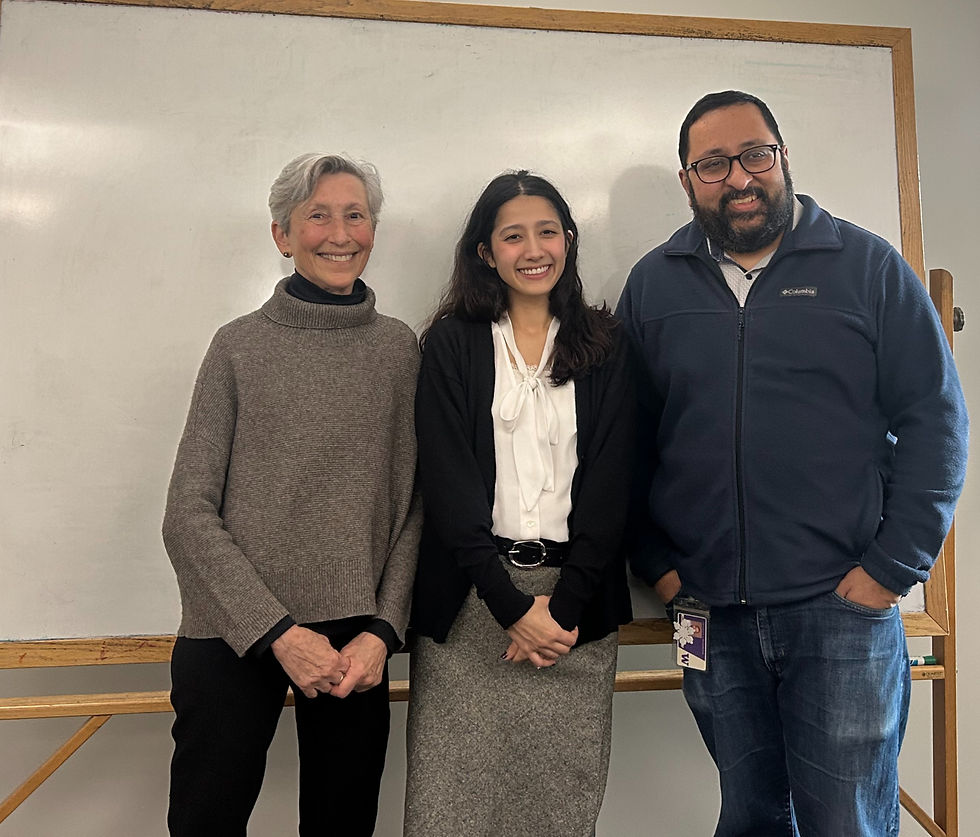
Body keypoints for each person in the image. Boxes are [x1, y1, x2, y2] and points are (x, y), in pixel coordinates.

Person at [617, 90, 969, 837]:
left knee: (846, 823)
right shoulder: (653, 286)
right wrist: (663, 570)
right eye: (712, 164)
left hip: (841, 610)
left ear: (783, 158)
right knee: (748, 815)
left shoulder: (867, 267)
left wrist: (890, 570)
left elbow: (938, 419)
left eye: (755, 155)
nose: (739, 178)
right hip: (706, 611)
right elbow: (626, 445)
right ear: (687, 180)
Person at [162, 153, 421, 836]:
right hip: (232, 628)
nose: (340, 233)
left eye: (355, 214)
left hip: (355, 642)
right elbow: (187, 514)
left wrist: (384, 632)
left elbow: (413, 508)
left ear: (374, 229)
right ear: (282, 234)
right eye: (318, 215)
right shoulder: (237, 348)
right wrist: (276, 631)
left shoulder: (400, 351)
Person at [404, 171, 634, 836]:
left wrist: (559, 609)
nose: (533, 249)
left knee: (556, 813)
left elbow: (613, 482)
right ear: (486, 252)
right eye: (513, 235)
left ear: (569, 239)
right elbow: (446, 485)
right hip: (474, 606)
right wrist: (510, 607)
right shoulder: (450, 343)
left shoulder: (606, 344)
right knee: (449, 813)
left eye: (547, 231)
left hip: (575, 610)